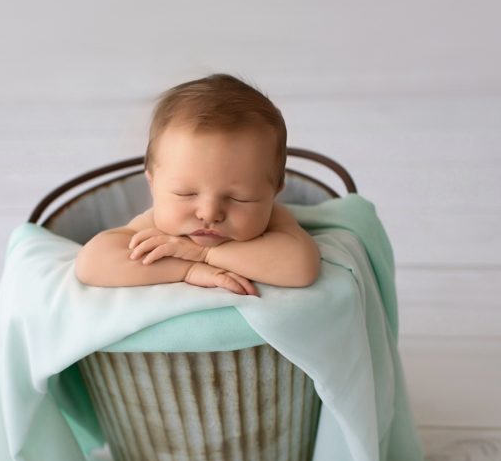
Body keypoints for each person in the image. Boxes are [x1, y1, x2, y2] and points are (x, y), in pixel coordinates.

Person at [75, 73, 320, 296]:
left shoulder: (275, 221)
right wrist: (189, 270)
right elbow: (91, 263)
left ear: (274, 192)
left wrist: (206, 254)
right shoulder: (154, 230)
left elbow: (301, 267)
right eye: (186, 193)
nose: (209, 213)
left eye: (240, 198)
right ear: (152, 183)